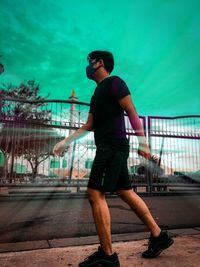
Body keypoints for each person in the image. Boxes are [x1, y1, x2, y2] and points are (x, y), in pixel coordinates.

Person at [53, 50, 174, 267]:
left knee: (94, 192)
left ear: (100, 63)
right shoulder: (96, 93)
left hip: (112, 147)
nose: (87, 66)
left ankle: (107, 256)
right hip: (108, 147)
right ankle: (159, 236)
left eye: (90, 61)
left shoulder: (114, 83)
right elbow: (89, 125)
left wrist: (143, 143)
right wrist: (65, 142)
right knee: (125, 192)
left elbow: (131, 110)